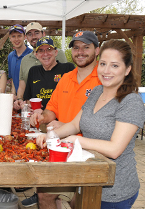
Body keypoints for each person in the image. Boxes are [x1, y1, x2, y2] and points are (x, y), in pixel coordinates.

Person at [36, 39, 145, 209]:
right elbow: (75, 124)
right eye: (103, 64)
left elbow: (115, 149)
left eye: (115, 66)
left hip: (115, 190)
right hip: (87, 177)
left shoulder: (131, 102)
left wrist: (75, 140)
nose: (106, 71)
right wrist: (50, 135)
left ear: (127, 69)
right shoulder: (97, 91)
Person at [21, 31, 101, 208]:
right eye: (76, 47)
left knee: (79, 201)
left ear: (97, 50)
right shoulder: (66, 78)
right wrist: (41, 116)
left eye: (86, 47)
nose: (80, 52)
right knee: (44, 196)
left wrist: (64, 126)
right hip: (62, 149)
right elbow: (52, 109)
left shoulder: (103, 80)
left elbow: (102, 125)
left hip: (90, 153)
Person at [15, 22, 67, 104]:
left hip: (58, 108)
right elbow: (22, 85)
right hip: (34, 108)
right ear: (26, 38)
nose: (34, 37)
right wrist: (19, 99)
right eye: (30, 34)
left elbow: (67, 81)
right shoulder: (25, 60)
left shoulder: (58, 54)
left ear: (43, 34)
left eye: (37, 33)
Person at [16, 37, 74, 110]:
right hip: (38, 118)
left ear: (55, 52)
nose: (45, 54)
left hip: (61, 118)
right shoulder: (33, 71)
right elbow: (28, 99)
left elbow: (76, 96)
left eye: (49, 49)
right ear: (36, 55)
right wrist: (29, 106)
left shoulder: (68, 68)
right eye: (41, 51)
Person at [7, 24, 33, 98]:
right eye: (13, 36)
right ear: (10, 38)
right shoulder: (10, 56)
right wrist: (13, 94)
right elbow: (13, 78)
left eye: (19, 36)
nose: (16, 39)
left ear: (25, 37)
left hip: (31, 99)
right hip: (18, 99)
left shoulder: (32, 55)